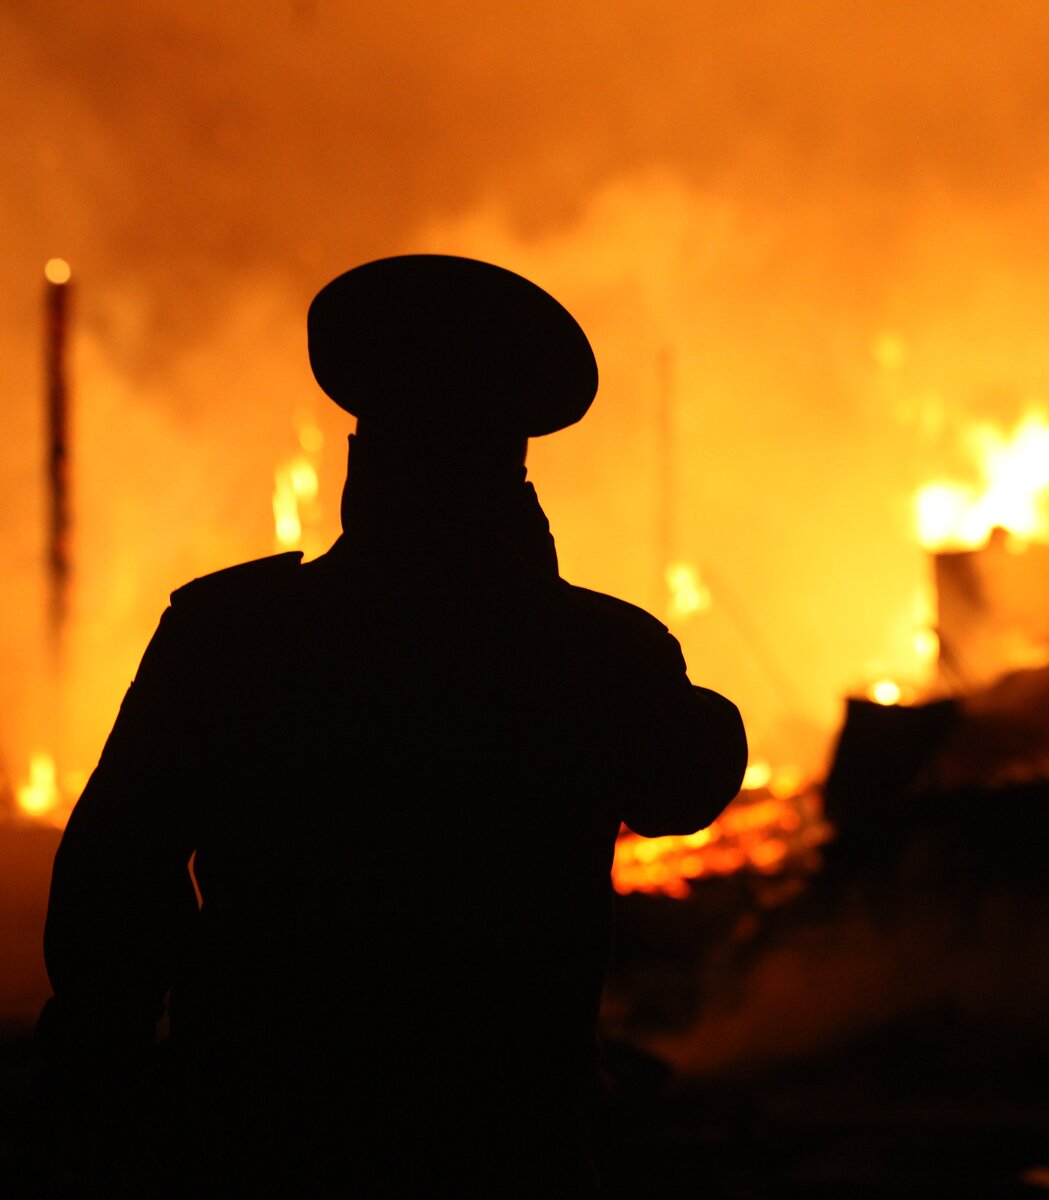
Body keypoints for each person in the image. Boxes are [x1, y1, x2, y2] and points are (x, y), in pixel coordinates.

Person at [40, 255, 747, 1196]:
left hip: (264, 1136)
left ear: (362, 464)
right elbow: (687, 780)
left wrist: (114, 1098)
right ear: (512, 472)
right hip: (501, 1142)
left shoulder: (230, 632)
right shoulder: (593, 650)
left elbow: (111, 883)